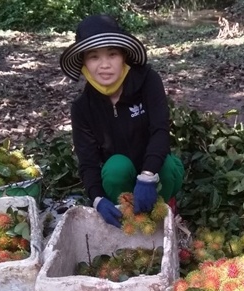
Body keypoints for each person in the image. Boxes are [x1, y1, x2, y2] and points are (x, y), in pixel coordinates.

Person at [60, 14, 184, 228]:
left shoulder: (148, 81)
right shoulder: (82, 107)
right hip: (120, 176)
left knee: (168, 166)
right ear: (84, 63)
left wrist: (146, 177)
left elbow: (160, 131)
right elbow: (88, 162)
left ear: (124, 57)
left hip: (154, 168)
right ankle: (129, 217)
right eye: (94, 57)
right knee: (116, 167)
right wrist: (97, 198)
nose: (104, 65)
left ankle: (164, 208)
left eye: (112, 54)